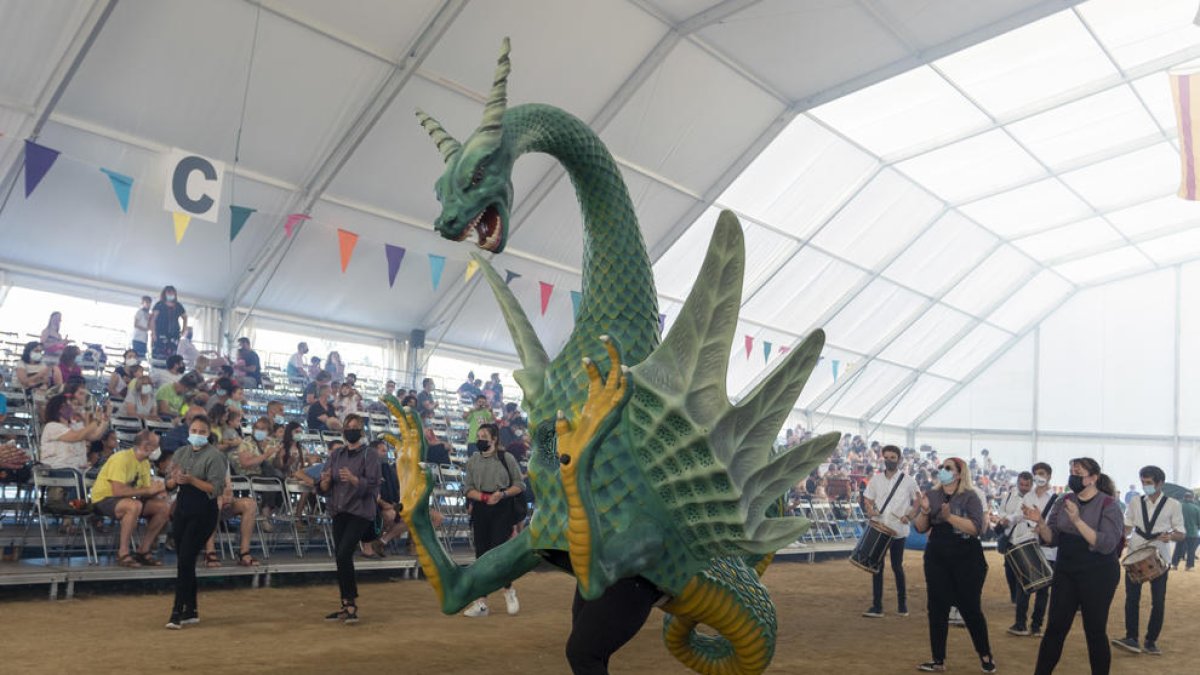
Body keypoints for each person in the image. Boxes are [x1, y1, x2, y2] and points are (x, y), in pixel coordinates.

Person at [1028, 457, 1124, 674]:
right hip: (1066, 569)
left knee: (1095, 630)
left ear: (1093, 479)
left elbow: (1106, 543)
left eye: (1078, 473)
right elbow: (1052, 538)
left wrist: (1078, 520)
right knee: (1055, 628)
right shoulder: (1063, 501)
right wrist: (1041, 523)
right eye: (1071, 471)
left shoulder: (1109, 505)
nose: (1073, 476)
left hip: (1098, 572)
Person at [912, 457, 994, 673]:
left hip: (966, 557)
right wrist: (925, 511)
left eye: (948, 468)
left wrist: (949, 518)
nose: (943, 471)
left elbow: (976, 529)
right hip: (937, 555)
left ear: (959, 473)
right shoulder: (932, 494)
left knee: (970, 608)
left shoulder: (971, 496)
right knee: (936, 608)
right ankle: (938, 659)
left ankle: (986, 656)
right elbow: (920, 528)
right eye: (942, 467)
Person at [1112, 465, 1185, 656]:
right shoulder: (1135, 502)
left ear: (1160, 483)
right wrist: (1120, 539)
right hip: (1136, 553)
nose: (1145, 486)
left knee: (1158, 601)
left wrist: (1171, 536)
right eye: (1143, 482)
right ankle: (1131, 638)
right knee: (1131, 599)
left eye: (1149, 483)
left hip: (1160, 556)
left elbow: (1181, 533)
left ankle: (1151, 641)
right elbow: (1127, 526)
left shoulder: (1173, 505)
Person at [164, 414, 226, 629]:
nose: (197, 435)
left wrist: (191, 480)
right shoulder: (181, 452)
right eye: (194, 431)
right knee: (185, 559)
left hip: (203, 511)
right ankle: (191, 609)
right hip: (182, 508)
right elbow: (168, 483)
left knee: (186, 559)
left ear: (209, 434)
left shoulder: (216, 456)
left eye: (202, 432)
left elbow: (216, 489)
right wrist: (175, 479)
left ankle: (177, 610)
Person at [318, 414, 379, 623]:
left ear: (361, 431)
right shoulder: (336, 455)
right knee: (341, 556)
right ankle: (346, 603)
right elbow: (325, 485)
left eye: (355, 427)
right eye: (347, 426)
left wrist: (354, 480)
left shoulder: (369, 455)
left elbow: (373, 486)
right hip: (339, 510)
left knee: (344, 553)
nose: (350, 430)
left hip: (360, 511)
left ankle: (351, 604)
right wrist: (324, 483)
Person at [460, 423, 522, 617]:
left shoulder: (506, 458)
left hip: (502, 507)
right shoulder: (473, 461)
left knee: (497, 554)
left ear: (494, 438)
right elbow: (468, 488)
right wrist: (485, 498)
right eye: (478, 436)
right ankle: (481, 602)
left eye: (484, 436)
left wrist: (502, 495)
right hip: (481, 507)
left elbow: (520, 485)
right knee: (481, 554)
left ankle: (508, 590)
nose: (480, 439)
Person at [90, 431, 171, 568]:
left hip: (130, 499)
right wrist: (148, 490)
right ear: (146, 446)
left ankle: (143, 550)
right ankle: (123, 553)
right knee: (134, 506)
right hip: (104, 498)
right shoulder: (121, 458)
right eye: (156, 446)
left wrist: (159, 491)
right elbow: (118, 491)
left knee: (164, 507)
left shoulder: (145, 463)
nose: (159, 450)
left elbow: (145, 490)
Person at [861, 444, 920, 619]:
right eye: (886, 457)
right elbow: (867, 499)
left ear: (899, 460)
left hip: (898, 531)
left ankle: (902, 605)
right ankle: (877, 606)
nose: (889, 460)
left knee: (897, 566)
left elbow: (917, 501)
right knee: (876, 567)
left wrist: (909, 516)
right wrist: (870, 510)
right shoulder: (876, 479)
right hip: (879, 528)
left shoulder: (909, 481)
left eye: (892, 458)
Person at [1009, 462, 1058, 638]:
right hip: (1028, 544)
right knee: (1024, 586)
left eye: (1042, 473)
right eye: (1036, 473)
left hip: (1047, 549)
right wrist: (1007, 520)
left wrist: (1042, 527)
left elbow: (1056, 522)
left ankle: (1036, 625)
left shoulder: (1056, 499)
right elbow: (1019, 515)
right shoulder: (1028, 496)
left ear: (1050, 475)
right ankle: (1020, 623)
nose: (1039, 476)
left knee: (1044, 589)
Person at [995, 471, 1032, 605]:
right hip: (1009, 538)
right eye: (1021, 484)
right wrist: (1005, 518)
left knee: (1024, 569)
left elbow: (1021, 515)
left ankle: (1022, 597)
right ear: (1017, 483)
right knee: (1009, 569)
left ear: (1031, 485)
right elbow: (1000, 511)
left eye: (1027, 485)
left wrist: (1010, 518)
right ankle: (1014, 595)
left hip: (1026, 538)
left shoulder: (1033, 498)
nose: (1024, 487)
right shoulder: (1010, 495)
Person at [149, 286, 187, 358]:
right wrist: (153, 333)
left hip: (174, 334)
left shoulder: (178, 305)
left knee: (172, 355)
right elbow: (153, 320)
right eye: (169, 292)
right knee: (159, 354)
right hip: (160, 333)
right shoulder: (159, 304)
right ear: (165, 294)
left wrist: (184, 330)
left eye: (172, 292)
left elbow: (185, 317)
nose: (170, 294)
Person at [1171, 493, 1198, 571]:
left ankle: (1174, 565)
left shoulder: (1179, 506)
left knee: (1178, 549)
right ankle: (1189, 567)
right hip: (1192, 533)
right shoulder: (1196, 508)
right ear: (1192, 498)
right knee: (1191, 550)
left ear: (1184, 497)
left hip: (1180, 532)